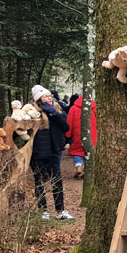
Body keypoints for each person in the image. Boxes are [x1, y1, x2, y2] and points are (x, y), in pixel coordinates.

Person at [30, 84, 75, 221]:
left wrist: (54, 114)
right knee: (40, 181)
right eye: (45, 96)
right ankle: (43, 211)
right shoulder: (33, 112)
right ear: (39, 99)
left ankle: (60, 211)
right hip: (37, 152)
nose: (49, 98)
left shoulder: (57, 110)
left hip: (54, 151)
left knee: (57, 181)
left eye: (49, 95)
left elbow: (66, 127)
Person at [66, 95, 97, 178]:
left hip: (78, 134)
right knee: (89, 151)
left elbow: (69, 123)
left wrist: (68, 134)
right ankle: (87, 170)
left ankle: (78, 166)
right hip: (92, 134)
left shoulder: (73, 108)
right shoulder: (93, 108)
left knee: (77, 152)